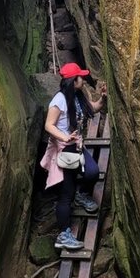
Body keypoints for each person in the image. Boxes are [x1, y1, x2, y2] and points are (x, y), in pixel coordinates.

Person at [41, 62, 107, 250]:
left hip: (75, 146)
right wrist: (64, 136)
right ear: (73, 80)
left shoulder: (78, 95)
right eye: (81, 77)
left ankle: (83, 195)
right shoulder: (59, 100)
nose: (84, 80)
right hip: (63, 150)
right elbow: (49, 125)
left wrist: (102, 99)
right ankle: (63, 235)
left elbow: (92, 109)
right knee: (65, 194)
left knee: (92, 172)